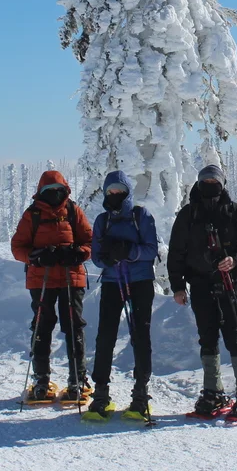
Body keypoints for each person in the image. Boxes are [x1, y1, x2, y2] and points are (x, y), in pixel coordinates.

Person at [167, 164, 237, 421]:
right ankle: (213, 392)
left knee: (235, 335)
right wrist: (177, 286)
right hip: (199, 284)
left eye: (214, 182)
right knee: (207, 337)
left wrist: (235, 260)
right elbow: (176, 253)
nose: (210, 186)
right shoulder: (188, 214)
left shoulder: (234, 212)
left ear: (223, 183)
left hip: (229, 283)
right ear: (198, 184)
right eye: (205, 182)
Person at [10, 170, 93, 405]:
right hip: (42, 280)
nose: (55, 195)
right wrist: (35, 257)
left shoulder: (73, 211)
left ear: (65, 190)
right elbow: (18, 247)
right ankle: (42, 380)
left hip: (70, 277)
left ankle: (76, 379)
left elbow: (89, 241)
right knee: (42, 327)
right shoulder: (32, 215)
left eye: (59, 191)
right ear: (41, 193)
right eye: (50, 191)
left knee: (73, 326)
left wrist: (78, 252)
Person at [85, 170, 160, 421]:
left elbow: (151, 250)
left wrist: (127, 251)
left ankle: (140, 394)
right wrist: (106, 257)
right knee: (105, 336)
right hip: (111, 282)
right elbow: (95, 257)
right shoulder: (101, 220)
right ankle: (101, 394)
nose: (115, 194)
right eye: (110, 191)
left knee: (140, 335)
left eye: (119, 190)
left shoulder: (141, 216)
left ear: (127, 192)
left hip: (140, 282)